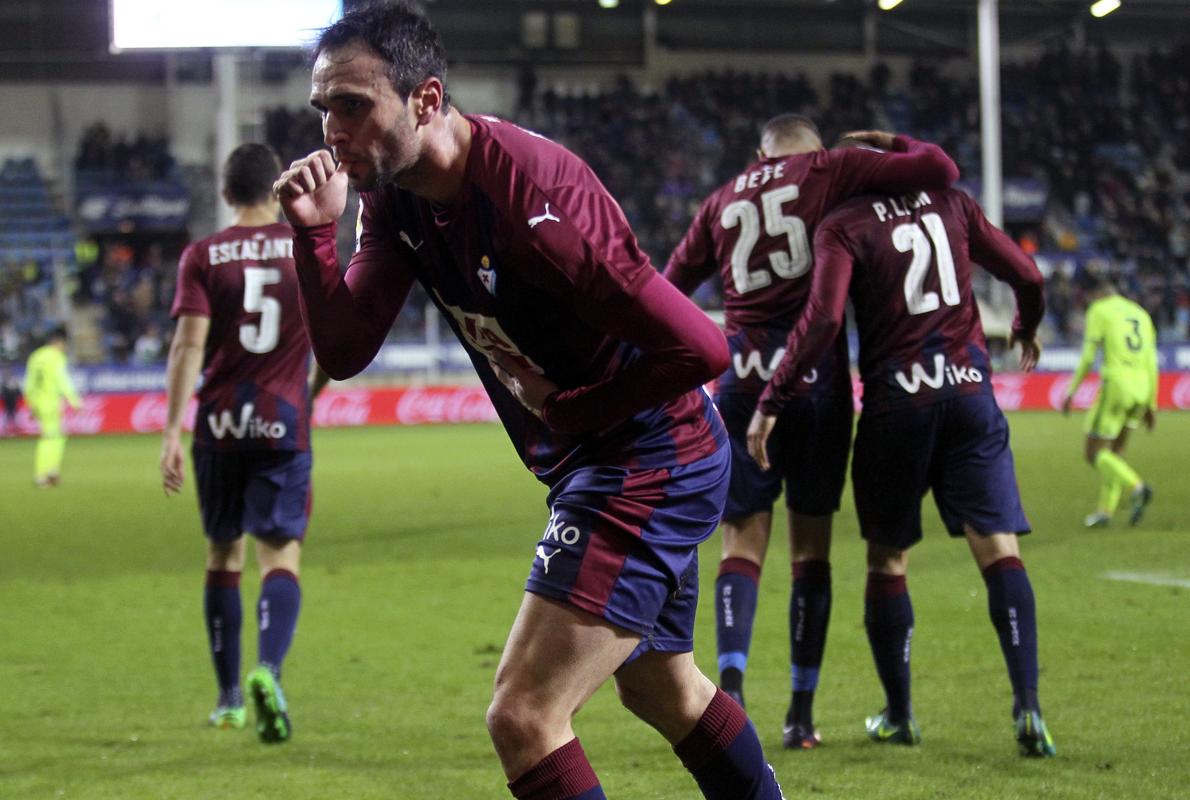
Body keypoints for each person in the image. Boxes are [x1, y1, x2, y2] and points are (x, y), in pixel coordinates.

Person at [275, 4, 786, 798]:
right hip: (602, 461)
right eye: (323, 110)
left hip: (649, 459)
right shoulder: (398, 198)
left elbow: (703, 349)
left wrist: (576, 411)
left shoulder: (538, 205)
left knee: (523, 715)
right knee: (661, 688)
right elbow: (344, 351)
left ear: (425, 99)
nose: (332, 132)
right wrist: (312, 240)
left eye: (352, 106)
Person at [663, 115, 958, 748]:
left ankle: (732, 697)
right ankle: (800, 715)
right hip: (815, 380)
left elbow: (663, 290)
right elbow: (939, 170)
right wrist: (893, 146)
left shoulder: (723, 198)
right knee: (810, 552)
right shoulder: (831, 170)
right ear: (816, 149)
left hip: (741, 379)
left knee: (741, 541)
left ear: (757, 151)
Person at [748, 174, 1056, 757]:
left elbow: (823, 321)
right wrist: (1025, 325)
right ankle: (1028, 703)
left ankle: (901, 713)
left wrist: (773, 400)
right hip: (970, 393)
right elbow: (1029, 274)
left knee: (888, 560)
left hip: (899, 403)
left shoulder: (844, 223)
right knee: (998, 549)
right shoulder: (953, 203)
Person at [160, 143, 328, 744]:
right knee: (279, 556)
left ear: (227, 193)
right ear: (277, 188)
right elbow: (333, 334)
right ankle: (269, 671)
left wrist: (172, 431)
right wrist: (309, 392)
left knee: (222, 555)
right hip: (284, 419)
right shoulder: (303, 245)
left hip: (220, 425)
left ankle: (229, 699)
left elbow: (188, 347)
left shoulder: (204, 255)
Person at [1060, 273, 1157, 528]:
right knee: (1116, 454)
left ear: (1095, 294)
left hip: (1117, 385)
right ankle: (1105, 512)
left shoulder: (1099, 310)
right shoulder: (1140, 313)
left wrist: (1071, 391)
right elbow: (1151, 362)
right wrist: (1152, 403)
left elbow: (1088, 357)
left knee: (1094, 453)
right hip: (1142, 387)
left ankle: (1137, 486)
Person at [23, 326, 82, 486]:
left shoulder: (35, 356)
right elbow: (62, 380)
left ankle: (52, 471)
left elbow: (28, 384)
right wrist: (75, 401)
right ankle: (42, 474)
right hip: (50, 401)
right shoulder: (56, 357)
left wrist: (31, 404)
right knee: (51, 438)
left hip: (38, 402)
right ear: (58, 343)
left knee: (55, 437)